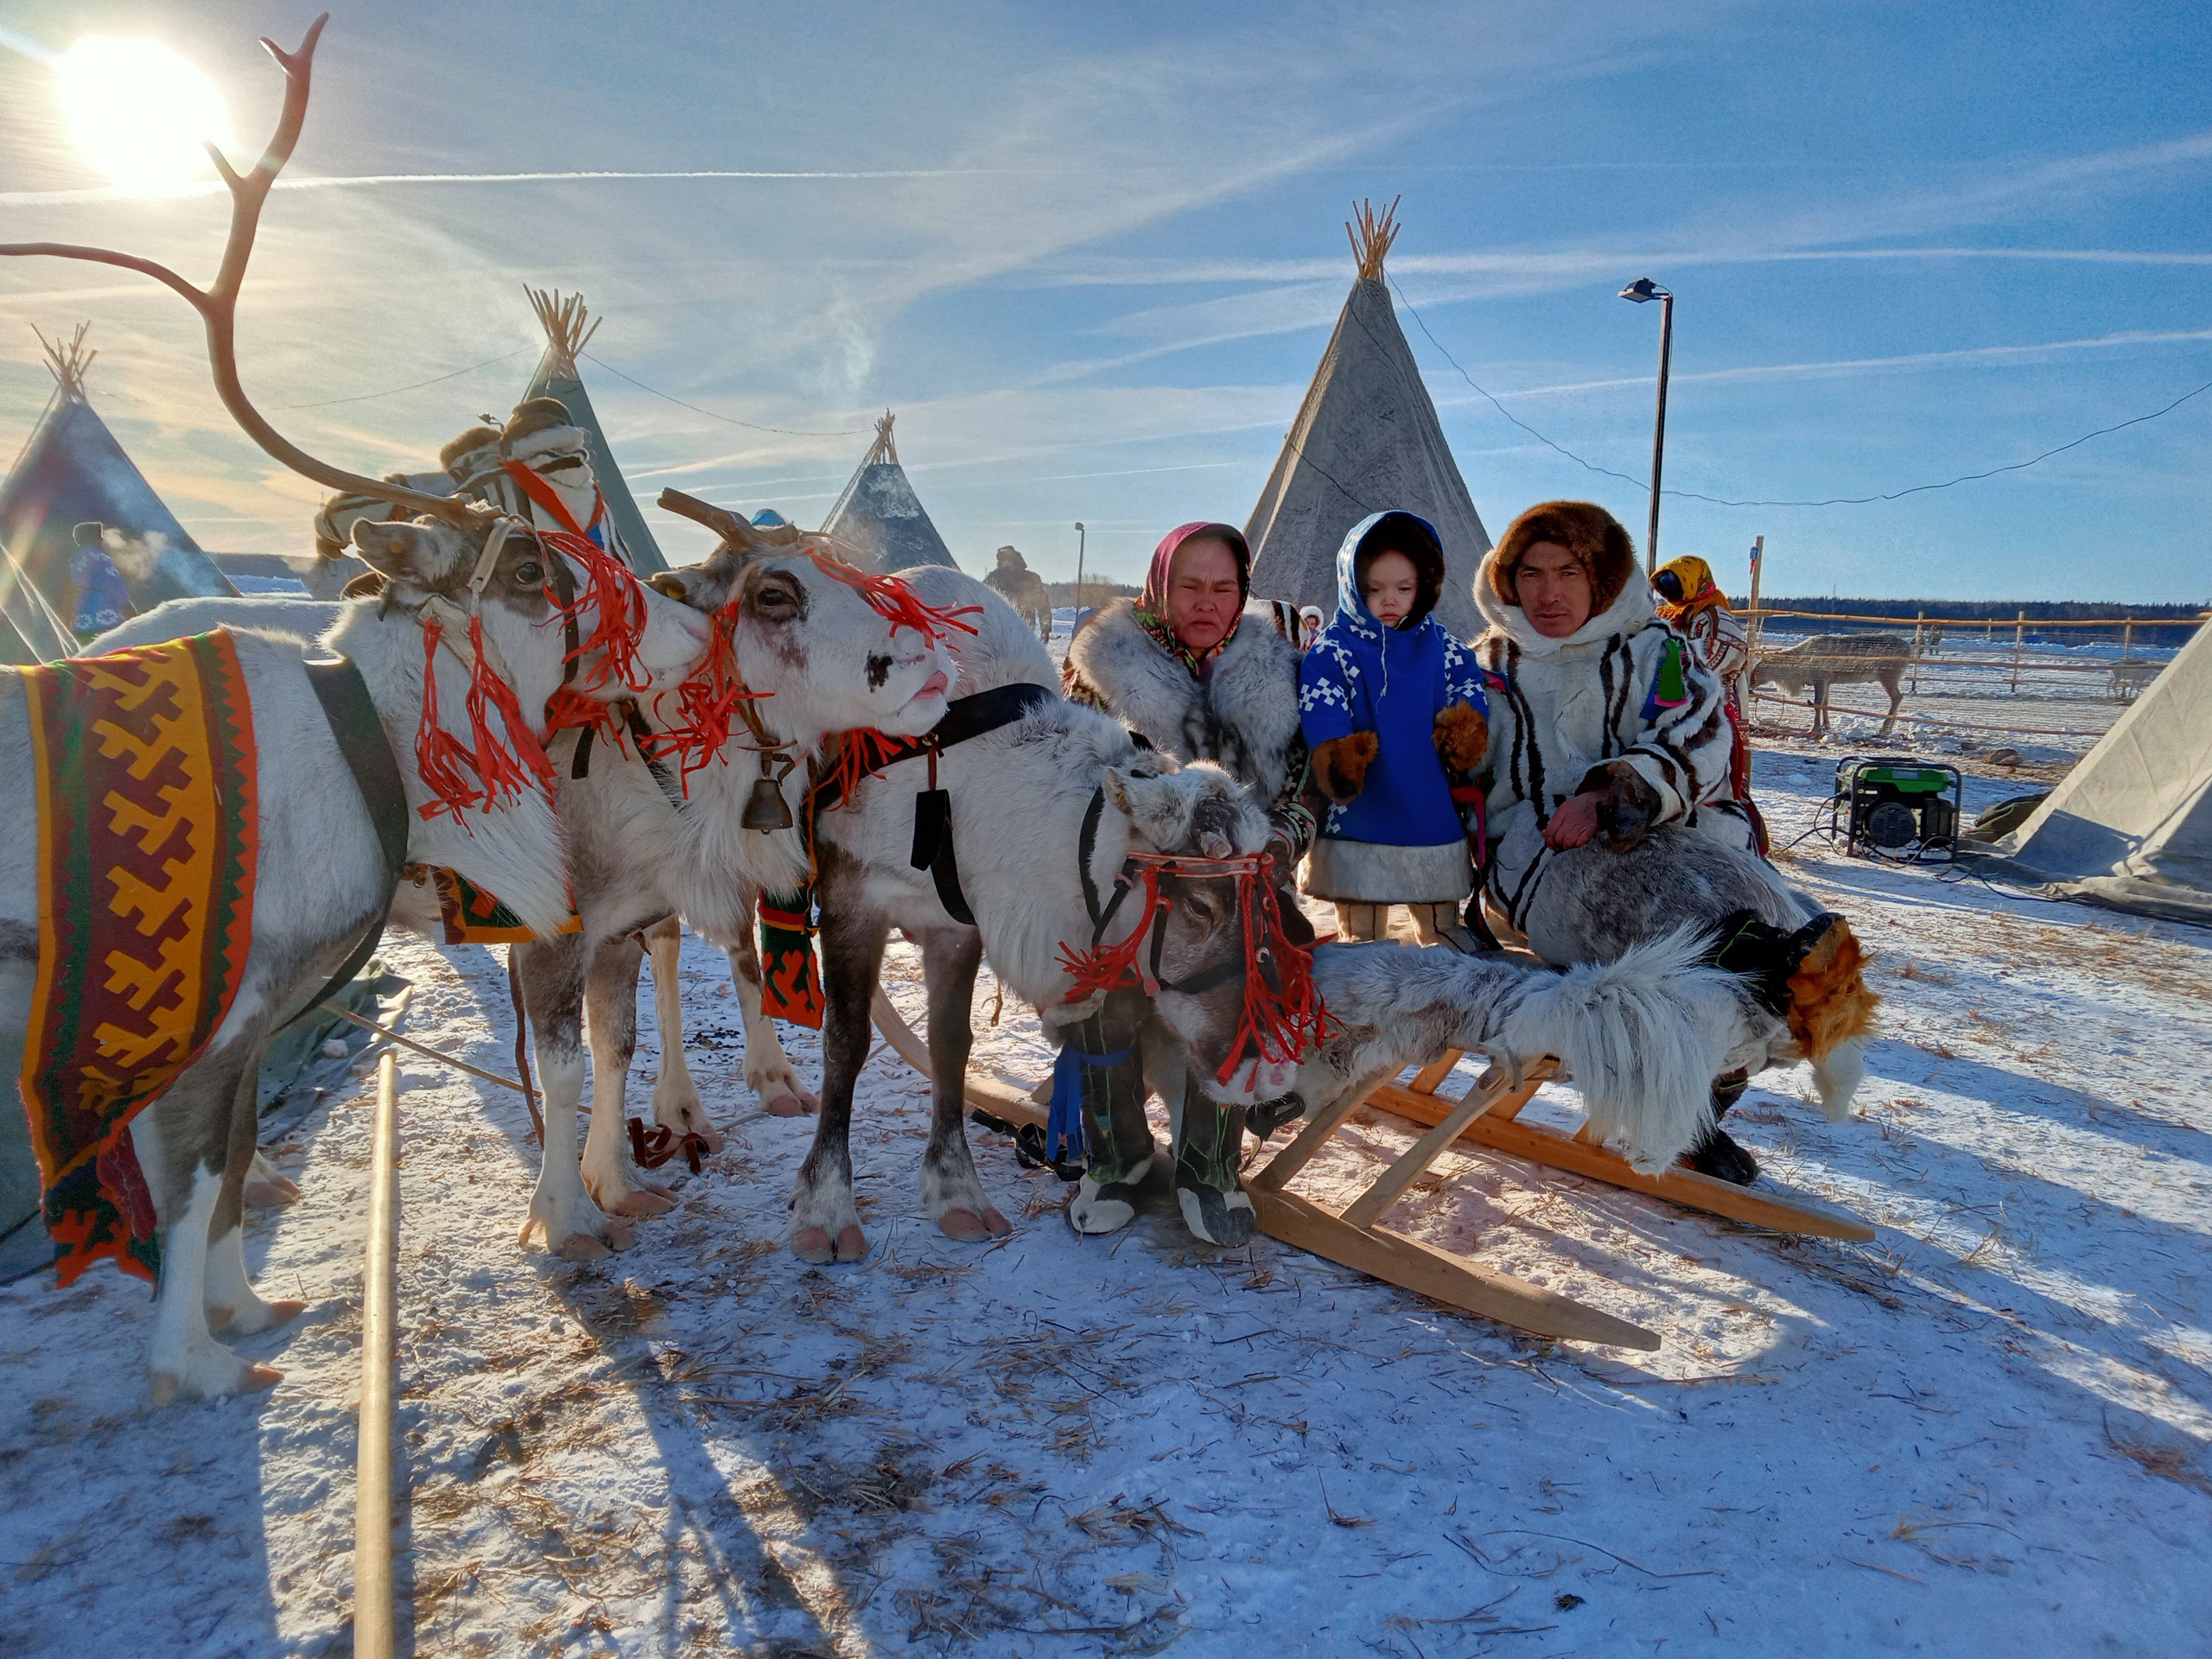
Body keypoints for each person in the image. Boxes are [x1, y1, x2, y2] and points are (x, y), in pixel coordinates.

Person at [1472, 502, 1764, 1180]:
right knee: (1685, 960)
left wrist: (1619, 789)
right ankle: (1669, 1109)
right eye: (1532, 573)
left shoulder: (1658, 652)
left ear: (1600, 577)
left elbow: (1699, 738)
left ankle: (1696, 1115)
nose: (1548, 593)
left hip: (1664, 837)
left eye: (1568, 572)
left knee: (1758, 956)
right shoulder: (1485, 663)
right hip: (1536, 856)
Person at [1059, 522, 1313, 1247]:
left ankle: (1210, 1165)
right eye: (1190, 586)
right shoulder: (1103, 670)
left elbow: (1301, 786)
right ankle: (1118, 1159)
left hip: (1246, 885)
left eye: (1223, 587)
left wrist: (1279, 837)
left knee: (1239, 996)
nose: (1207, 602)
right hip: (1129, 883)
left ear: (1243, 592)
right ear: (1161, 586)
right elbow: (1073, 781)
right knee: (1102, 999)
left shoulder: (1274, 670)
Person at [1298, 511, 1489, 949]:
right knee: (1361, 927)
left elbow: (1466, 681)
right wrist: (1335, 749)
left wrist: (1467, 726)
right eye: (1374, 589)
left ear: (1425, 585)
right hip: (1364, 793)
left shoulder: (1441, 645)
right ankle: (1360, 956)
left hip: (1426, 789)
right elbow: (1321, 697)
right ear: (1351, 585)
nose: (1389, 601)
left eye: (1404, 589)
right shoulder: (1336, 646)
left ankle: (1445, 945)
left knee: (1439, 915)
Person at [1654, 554, 1764, 850]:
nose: (1669, 594)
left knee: (1716, 783)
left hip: (1715, 717)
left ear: (1693, 583)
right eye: (1665, 586)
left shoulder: (1715, 617)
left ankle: (1732, 845)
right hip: (1680, 713)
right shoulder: (1672, 614)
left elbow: (1709, 665)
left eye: (1675, 585)